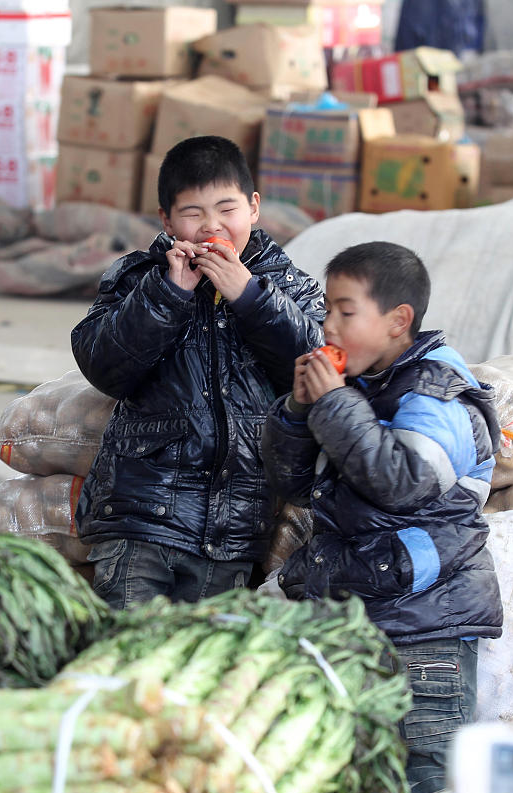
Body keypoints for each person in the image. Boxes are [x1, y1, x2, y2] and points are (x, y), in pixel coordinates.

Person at [261, 241, 503, 793]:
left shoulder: (438, 391)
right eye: (326, 311)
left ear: (399, 321)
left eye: (346, 312)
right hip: (356, 618)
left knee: (423, 778)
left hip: (424, 629)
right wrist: (298, 414)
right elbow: (296, 487)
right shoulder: (361, 387)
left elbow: (401, 482)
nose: (328, 326)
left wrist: (333, 406)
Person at [70, 135, 325, 610]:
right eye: (193, 213)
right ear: (166, 220)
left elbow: (319, 369)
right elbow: (102, 365)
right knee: (128, 658)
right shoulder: (138, 278)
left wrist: (251, 298)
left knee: (195, 670)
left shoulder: (285, 284)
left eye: (226, 209)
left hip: (232, 528)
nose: (212, 226)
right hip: (140, 517)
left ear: (253, 207)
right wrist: (168, 295)